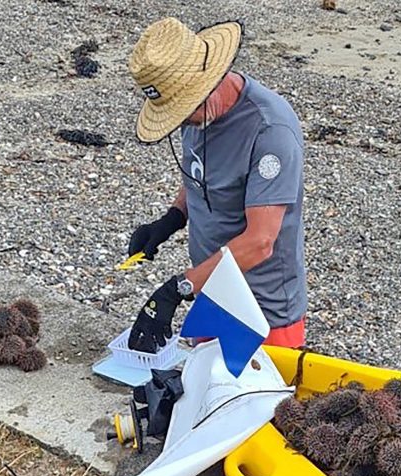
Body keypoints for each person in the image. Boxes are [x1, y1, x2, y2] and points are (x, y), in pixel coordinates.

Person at [126, 17, 307, 353]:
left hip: (263, 312)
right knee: (201, 399)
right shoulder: (194, 114)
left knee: (257, 404)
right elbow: (201, 172)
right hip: (211, 295)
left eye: (183, 110)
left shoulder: (269, 131)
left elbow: (260, 242)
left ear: (210, 82)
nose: (181, 121)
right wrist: (171, 219)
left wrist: (179, 287)